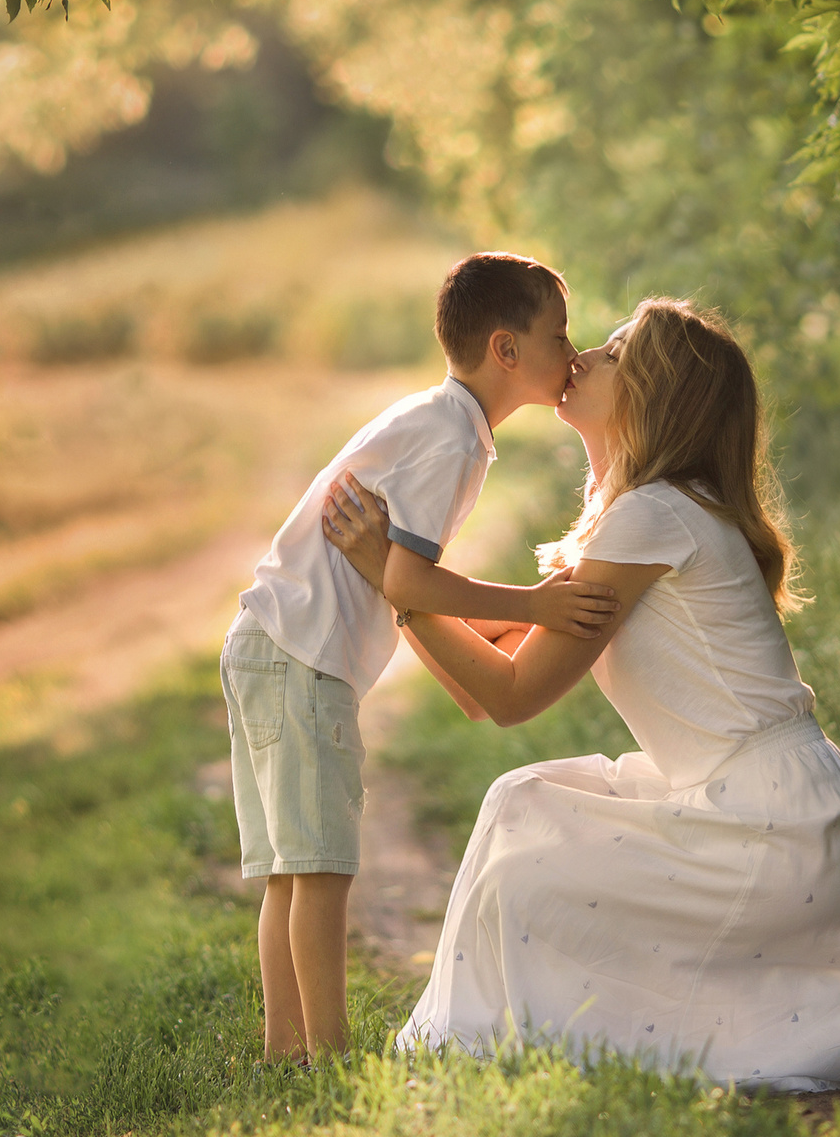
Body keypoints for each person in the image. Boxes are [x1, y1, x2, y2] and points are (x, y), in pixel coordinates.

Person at [322, 298, 840, 1091]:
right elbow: (482, 680)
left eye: (616, 353)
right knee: (523, 799)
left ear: (653, 397)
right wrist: (404, 580)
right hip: (761, 804)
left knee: (527, 876)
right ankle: (481, 1055)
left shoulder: (654, 516)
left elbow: (510, 695)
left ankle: (483, 1062)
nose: (585, 355)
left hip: (778, 829)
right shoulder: (643, 515)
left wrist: (393, 581)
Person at [224, 252, 620, 1064]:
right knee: (320, 867)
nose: (572, 352)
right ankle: (325, 1058)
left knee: (291, 870)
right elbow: (407, 579)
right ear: (505, 350)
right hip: (301, 654)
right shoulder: (452, 440)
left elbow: (399, 576)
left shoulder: (440, 422)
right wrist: (533, 605)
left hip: (268, 644)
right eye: (558, 333)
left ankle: (283, 1053)